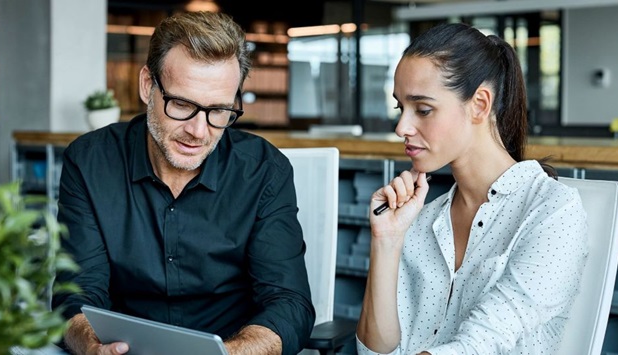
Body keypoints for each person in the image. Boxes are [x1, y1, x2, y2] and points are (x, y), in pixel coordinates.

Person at [51, 11, 315, 355]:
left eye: (218, 110)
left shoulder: (264, 171)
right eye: (181, 104)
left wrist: (230, 353)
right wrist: (91, 346)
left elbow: (289, 304)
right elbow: (76, 295)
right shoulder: (89, 162)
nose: (198, 131)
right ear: (147, 85)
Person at [355, 22, 588, 355]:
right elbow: (374, 352)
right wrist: (386, 241)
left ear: (479, 104)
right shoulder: (418, 220)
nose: (401, 127)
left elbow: (480, 345)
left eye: (423, 110)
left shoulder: (553, 212)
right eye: (400, 108)